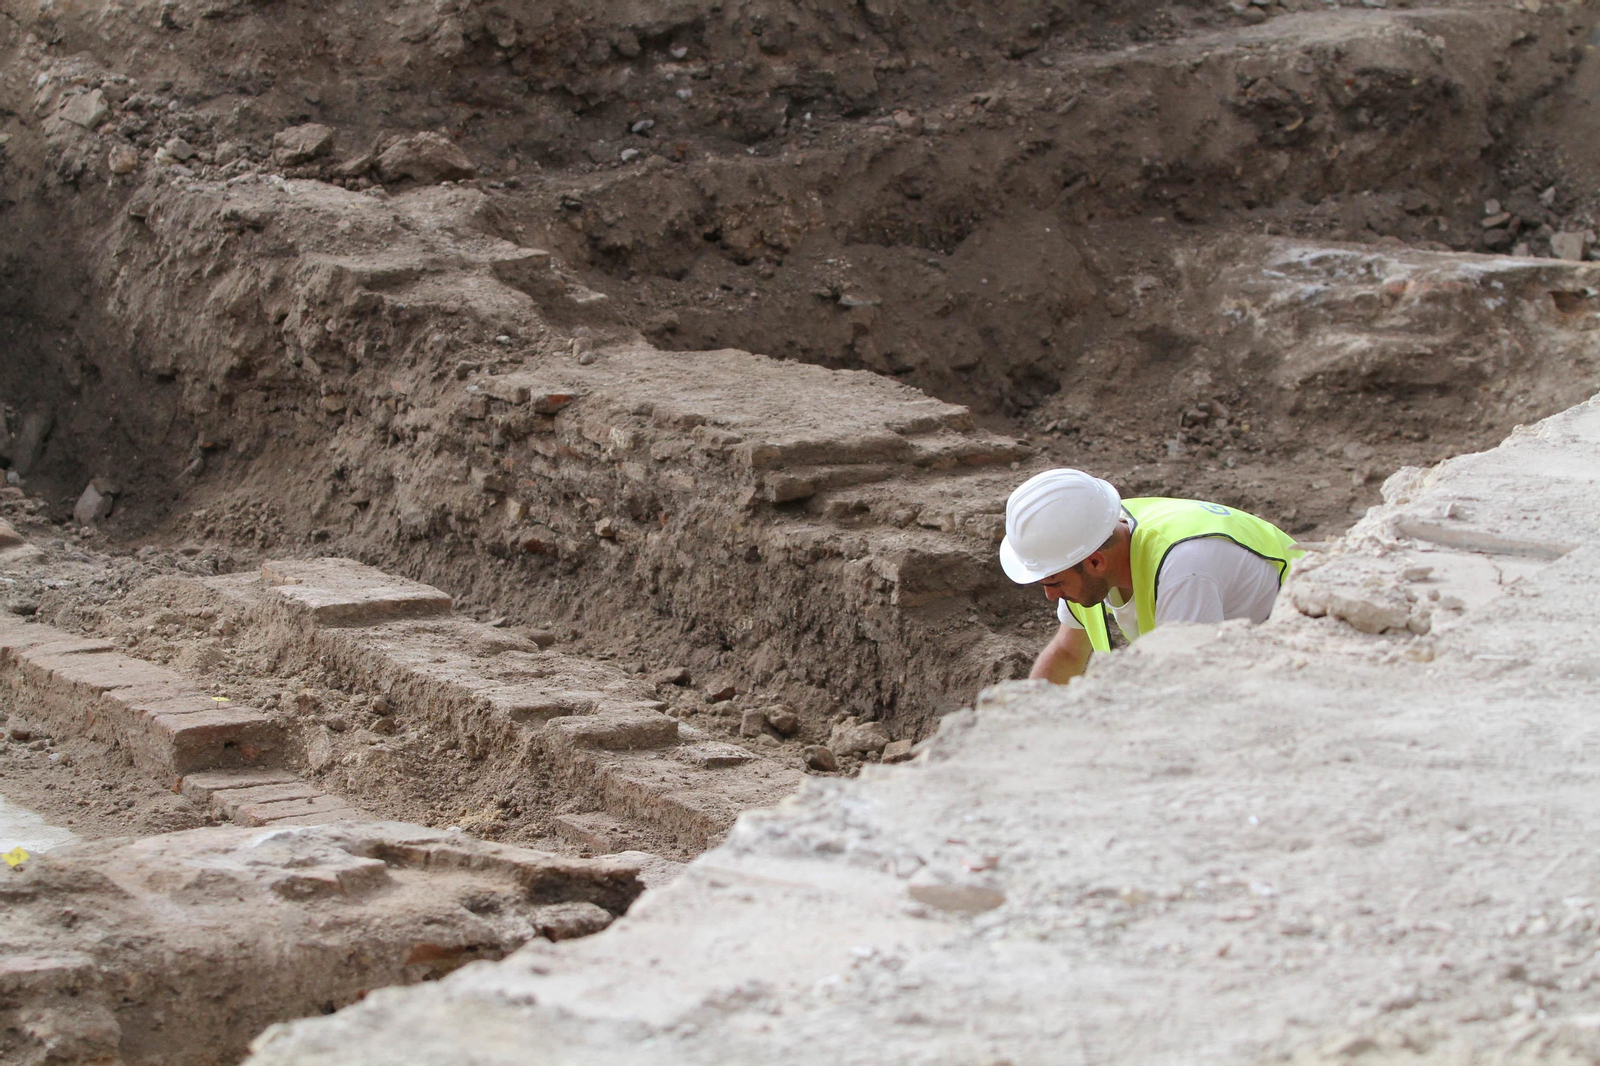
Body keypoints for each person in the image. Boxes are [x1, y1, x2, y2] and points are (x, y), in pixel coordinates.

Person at [1000, 468, 1303, 683]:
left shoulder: (1186, 570)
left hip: (1306, 648)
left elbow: (1188, 685)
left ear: (1095, 562)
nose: (1050, 595)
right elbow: (1067, 654)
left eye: (1054, 582)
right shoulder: (1089, 539)